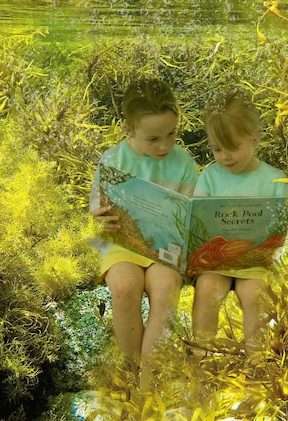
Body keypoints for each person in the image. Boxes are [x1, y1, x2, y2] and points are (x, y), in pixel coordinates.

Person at [89, 77, 198, 383]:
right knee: (124, 289)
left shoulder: (185, 163)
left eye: (171, 134)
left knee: (165, 291)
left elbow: (190, 214)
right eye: (153, 139)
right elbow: (96, 208)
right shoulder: (113, 159)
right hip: (124, 244)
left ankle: (148, 381)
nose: (164, 145)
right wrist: (99, 216)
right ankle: (130, 371)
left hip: (166, 246)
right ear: (129, 130)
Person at [191, 88, 288, 354]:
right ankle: (202, 354)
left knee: (255, 294)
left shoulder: (275, 179)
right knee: (207, 288)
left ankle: (259, 359)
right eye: (216, 148)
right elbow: (197, 217)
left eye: (233, 147)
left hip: (255, 262)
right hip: (217, 261)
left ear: (254, 139)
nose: (224, 156)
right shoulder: (210, 176)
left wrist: (275, 253)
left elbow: (283, 227)